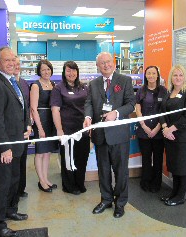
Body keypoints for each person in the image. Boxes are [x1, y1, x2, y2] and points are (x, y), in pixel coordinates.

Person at [83, 52, 135, 218]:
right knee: (103, 170)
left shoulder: (124, 80)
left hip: (119, 135)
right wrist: (88, 117)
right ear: (98, 66)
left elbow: (131, 104)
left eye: (108, 62)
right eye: (102, 63)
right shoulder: (93, 84)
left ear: (113, 63)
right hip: (100, 135)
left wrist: (116, 113)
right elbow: (89, 103)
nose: (106, 65)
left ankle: (120, 203)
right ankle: (106, 199)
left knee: (121, 171)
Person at [0, 46, 31, 237]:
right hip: (5, 148)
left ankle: (10, 210)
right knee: (2, 184)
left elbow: (22, 109)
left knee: (14, 181)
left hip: (18, 143)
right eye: (7, 60)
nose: (12, 63)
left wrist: (27, 125)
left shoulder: (15, 82)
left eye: (13, 59)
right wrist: (4, 147)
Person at [50, 61, 90, 195]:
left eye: (73, 70)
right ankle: (69, 186)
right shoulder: (58, 88)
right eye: (68, 71)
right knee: (68, 159)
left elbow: (88, 106)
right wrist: (59, 130)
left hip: (82, 129)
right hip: (67, 129)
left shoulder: (84, 87)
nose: (71, 73)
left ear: (77, 72)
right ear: (64, 72)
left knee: (82, 157)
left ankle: (80, 183)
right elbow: (55, 110)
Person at [160, 65, 186, 206]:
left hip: (183, 137)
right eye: (175, 75)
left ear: (184, 77)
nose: (178, 78)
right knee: (174, 166)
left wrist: (171, 129)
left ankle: (180, 196)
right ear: (171, 77)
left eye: (181, 75)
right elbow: (162, 113)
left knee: (182, 166)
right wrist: (164, 128)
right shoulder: (168, 92)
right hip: (169, 137)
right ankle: (174, 193)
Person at [135, 66, 167, 193]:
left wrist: (157, 128)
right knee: (146, 157)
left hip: (159, 131)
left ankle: (156, 183)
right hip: (144, 130)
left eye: (154, 73)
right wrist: (144, 126)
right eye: (149, 73)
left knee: (158, 158)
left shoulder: (164, 91)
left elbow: (164, 111)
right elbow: (138, 109)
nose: (151, 76)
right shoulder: (140, 91)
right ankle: (145, 182)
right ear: (145, 75)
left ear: (157, 75)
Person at [30, 59, 58, 193]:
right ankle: (41, 181)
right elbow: (34, 108)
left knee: (47, 152)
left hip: (51, 120)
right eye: (43, 70)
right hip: (41, 120)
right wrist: (40, 128)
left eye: (48, 69)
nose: (46, 72)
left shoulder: (53, 84)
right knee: (40, 152)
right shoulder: (36, 85)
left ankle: (46, 179)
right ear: (39, 71)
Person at [14, 56, 31, 198]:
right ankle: (13, 192)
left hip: (24, 128)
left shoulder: (24, 83)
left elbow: (28, 106)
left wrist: (29, 124)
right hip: (12, 130)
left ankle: (21, 189)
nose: (17, 66)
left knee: (23, 159)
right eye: (15, 63)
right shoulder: (4, 83)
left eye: (19, 64)